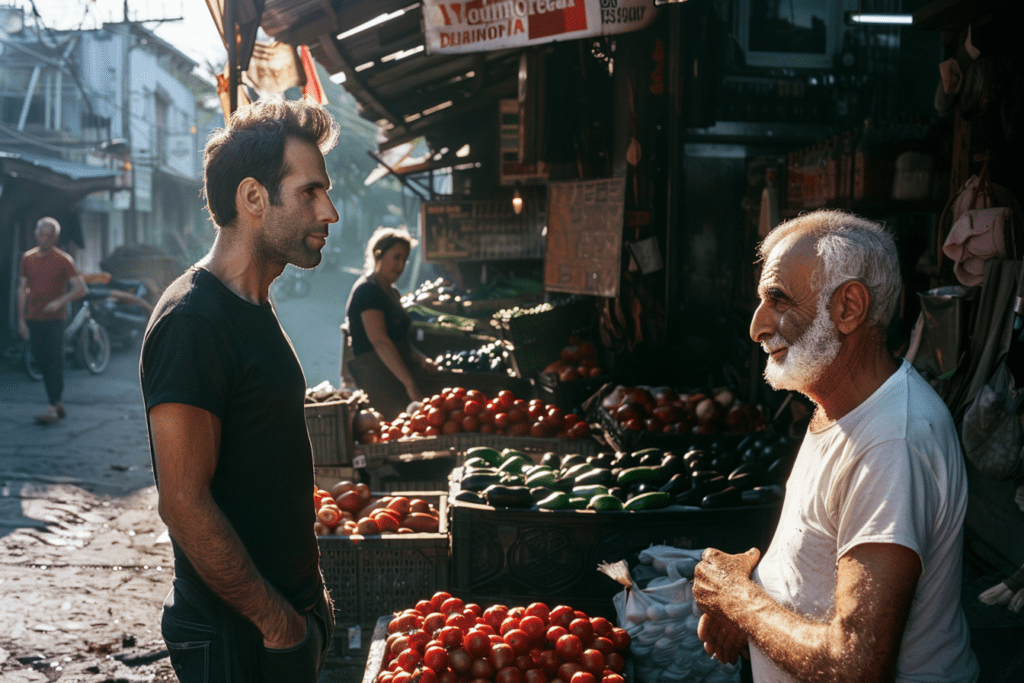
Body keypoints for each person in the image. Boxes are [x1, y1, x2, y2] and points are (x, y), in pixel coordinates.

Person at [693, 209, 979, 682]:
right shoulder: (841, 406)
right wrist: (756, 612)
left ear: (848, 308)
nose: (758, 326)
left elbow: (857, 666)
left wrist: (738, 599)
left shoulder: (891, 443)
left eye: (778, 300)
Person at [139, 99, 340, 683]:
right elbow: (183, 503)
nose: (329, 211)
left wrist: (308, 595)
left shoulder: (252, 303)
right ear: (254, 198)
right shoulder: (194, 320)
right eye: (309, 192)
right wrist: (279, 625)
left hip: (278, 621)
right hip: (237, 636)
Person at [344, 227, 435, 420]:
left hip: (395, 373)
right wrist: (409, 383)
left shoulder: (392, 292)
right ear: (379, 254)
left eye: (405, 259)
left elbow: (398, 338)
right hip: (378, 379)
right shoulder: (367, 291)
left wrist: (420, 358)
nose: (401, 265)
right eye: (396, 257)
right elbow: (380, 341)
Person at [17, 217, 88, 424]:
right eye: (41, 234)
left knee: (54, 361)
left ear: (55, 237)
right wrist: (21, 320)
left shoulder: (64, 259)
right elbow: (21, 290)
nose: (45, 238)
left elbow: (80, 288)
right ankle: (57, 403)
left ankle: (52, 406)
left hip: (55, 319)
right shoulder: (27, 258)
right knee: (40, 360)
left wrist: (59, 302)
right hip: (33, 317)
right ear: (36, 235)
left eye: (49, 235)